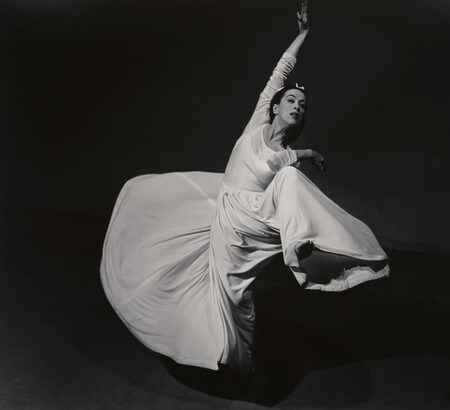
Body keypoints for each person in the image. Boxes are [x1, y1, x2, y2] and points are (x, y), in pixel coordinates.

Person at [100, 0, 389, 375]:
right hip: (226, 217)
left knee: (287, 179)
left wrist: (305, 153)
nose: (297, 105)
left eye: (302, 103)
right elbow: (279, 72)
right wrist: (302, 35)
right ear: (275, 107)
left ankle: (309, 244)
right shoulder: (256, 124)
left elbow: (287, 165)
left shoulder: (286, 156)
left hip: (252, 220)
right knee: (232, 296)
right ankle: (235, 360)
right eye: (291, 99)